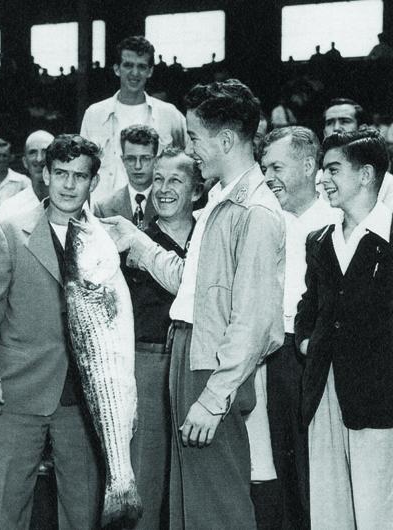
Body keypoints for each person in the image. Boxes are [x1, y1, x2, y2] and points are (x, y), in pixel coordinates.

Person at [104, 79, 285, 529]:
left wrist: (213, 399)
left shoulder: (255, 213)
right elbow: (191, 286)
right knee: (192, 509)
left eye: (197, 138)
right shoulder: (222, 202)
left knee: (218, 506)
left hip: (211, 366)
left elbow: (254, 321)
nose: (194, 149)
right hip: (190, 355)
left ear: (225, 140)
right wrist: (138, 245)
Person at [0, 134, 102, 529]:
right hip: (18, 388)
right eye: (60, 173)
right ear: (44, 175)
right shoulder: (9, 231)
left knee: (82, 511)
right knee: (7, 506)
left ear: (93, 182)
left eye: (79, 176)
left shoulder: (107, 238)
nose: (68, 184)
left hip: (82, 396)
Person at [296, 129, 393, 529]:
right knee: (330, 512)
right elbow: (309, 306)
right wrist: (308, 344)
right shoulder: (320, 240)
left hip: (379, 400)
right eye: (322, 169)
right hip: (326, 395)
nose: (324, 178)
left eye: (334, 169)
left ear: (367, 174)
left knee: (377, 512)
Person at [259, 126, 341, 529]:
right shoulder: (266, 219)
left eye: (276, 165)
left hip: (318, 356)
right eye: (264, 167)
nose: (268, 175)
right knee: (285, 469)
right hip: (276, 355)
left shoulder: (336, 221)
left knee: (319, 472)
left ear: (309, 167)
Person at [121, 147, 201, 530]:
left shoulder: (209, 239)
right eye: (157, 180)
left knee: (195, 481)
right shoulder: (131, 242)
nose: (163, 189)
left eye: (175, 181)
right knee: (146, 475)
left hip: (198, 367)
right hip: (147, 366)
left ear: (197, 191)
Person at [81, 36, 186, 202]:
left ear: (150, 71)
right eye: (128, 65)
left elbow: (187, 163)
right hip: (104, 213)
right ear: (117, 69)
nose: (135, 73)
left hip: (156, 214)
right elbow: (83, 170)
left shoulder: (169, 114)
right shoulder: (94, 114)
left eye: (142, 66)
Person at [319, 98, 393, 206]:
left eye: (345, 121)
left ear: (362, 128)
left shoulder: (387, 184)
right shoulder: (313, 182)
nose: (336, 128)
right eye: (330, 123)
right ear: (324, 132)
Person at [94, 124, 160, 228]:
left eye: (145, 158)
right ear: (123, 161)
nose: (138, 166)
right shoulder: (103, 209)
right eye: (131, 159)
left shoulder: (167, 202)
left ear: (156, 161)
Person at [0, 129, 55, 220]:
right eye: (32, 152)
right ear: (25, 162)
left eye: (45, 152)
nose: (39, 159)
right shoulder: (10, 208)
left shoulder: (72, 204)